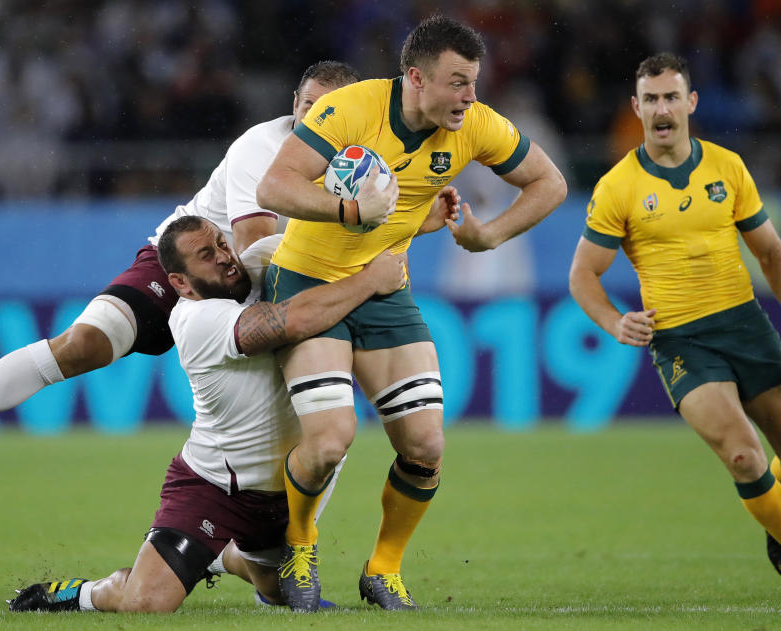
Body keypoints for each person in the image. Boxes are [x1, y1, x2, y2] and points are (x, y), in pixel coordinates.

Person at [0, 60, 360, 460]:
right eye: (306, 106)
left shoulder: (365, 167)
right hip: (189, 266)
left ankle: (258, 549)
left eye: (328, 110)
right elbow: (257, 251)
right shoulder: (265, 147)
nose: (312, 119)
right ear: (293, 106)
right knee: (83, 343)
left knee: (305, 435)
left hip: (256, 292)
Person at [255, 15, 566, 611]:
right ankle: (298, 541)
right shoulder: (350, 109)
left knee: (425, 443)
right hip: (309, 282)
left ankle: (383, 570)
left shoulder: (474, 124)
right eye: (457, 82)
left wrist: (488, 236)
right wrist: (348, 211)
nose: (469, 96)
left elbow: (549, 183)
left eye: (473, 82)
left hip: (385, 290)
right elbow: (274, 188)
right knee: (328, 443)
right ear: (416, 78)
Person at [7, 217, 408, 613]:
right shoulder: (195, 319)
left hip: (287, 489)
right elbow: (293, 321)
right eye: (206, 254)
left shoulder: (261, 262)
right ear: (180, 282)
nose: (223, 256)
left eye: (220, 242)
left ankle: (217, 555)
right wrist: (371, 280)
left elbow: (331, 239)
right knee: (146, 604)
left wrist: (425, 220)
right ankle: (85, 593)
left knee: (279, 595)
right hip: (214, 487)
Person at [568, 53, 781, 575]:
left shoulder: (727, 167)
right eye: (651, 99)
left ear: (691, 102)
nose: (661, 108)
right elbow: (583, 276)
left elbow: (770, 253)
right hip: (683, 341)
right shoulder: (618, 186)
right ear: (636, 108)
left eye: (670, 97)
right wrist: (615, 321)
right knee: (742, 456)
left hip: (745, 325)